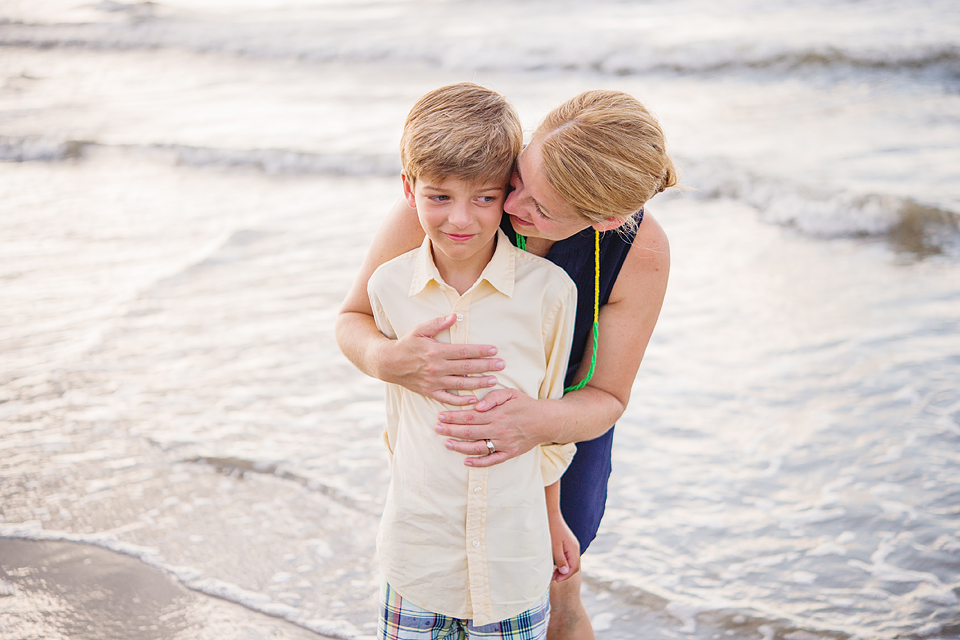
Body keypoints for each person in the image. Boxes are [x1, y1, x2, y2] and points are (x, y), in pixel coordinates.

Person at [337, 88, 676, 639]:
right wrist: (388, 358)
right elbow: (354, 317)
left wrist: (535, 422)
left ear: (605, 219)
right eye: (520, 180)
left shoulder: (639, 251)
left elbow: (607, 397)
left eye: (541, 209)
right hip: (459, 429)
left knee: (557, 584)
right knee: (452, 562)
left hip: (565, 415)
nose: (513, 208)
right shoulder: (464, 200)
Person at [362, 82, 583, 639]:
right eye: (439, 197)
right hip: (417, 556)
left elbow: (550, 425)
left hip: (514, 559)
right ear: (409, 189)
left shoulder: (550, 292)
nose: (460, 219)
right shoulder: (388, 287)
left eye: (483, 198)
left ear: (507, 193)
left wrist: (553, 518)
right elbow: (395, 421)